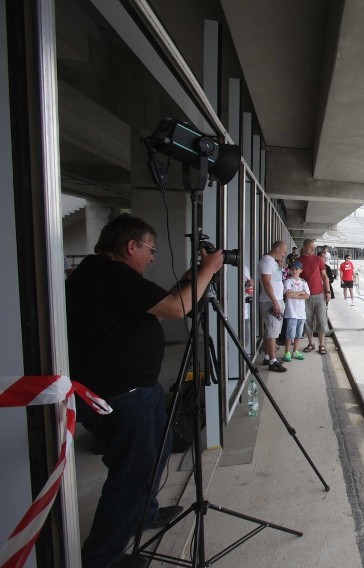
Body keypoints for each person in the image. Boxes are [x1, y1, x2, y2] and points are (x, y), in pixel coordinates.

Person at [66, 213, 224, 567]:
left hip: (139, 389)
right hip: (121, 395)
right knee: (132, 475)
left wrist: (192, 276)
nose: (153, 256)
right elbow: (175, 307)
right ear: (130, 246)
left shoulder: (107, 276)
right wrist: (209, 270)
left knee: (159, 450)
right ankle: (103, 559)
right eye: (150, 249)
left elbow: (165, 299)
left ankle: (144, 514)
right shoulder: (108, 274)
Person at [258, 241, 288, 372]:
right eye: (283, 251)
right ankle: (272, 362)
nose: (284, 254)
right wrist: (275, 302)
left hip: (276, 301)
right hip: (271, 302)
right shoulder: (267, 261)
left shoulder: (273, 262)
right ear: (277, 249)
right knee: (272, 332)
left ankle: (267, 356)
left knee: (271, 330)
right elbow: (266, 284)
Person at [298, 239, 332, 354]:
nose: (313, 249)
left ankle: (322, 345)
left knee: (321, 320)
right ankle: (311, 343)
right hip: (305, 296)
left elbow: (325, 276)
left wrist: (328, 291)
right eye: (310, 247)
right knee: (307, 321)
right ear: (304, 247)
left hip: (319, 295)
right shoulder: (299, 261)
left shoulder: (318, 259)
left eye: (313, 247)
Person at [282, 260, 310, 362]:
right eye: (292, 269)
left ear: (301, 270)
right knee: (290, 334)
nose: (294, 271)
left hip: (301, 313)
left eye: (296, 269)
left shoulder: (304, 282)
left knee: (298, 334)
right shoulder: (288, 281)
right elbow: (288, 295)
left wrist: (295, 294)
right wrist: (300, 293)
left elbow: (307, 295)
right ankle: (287, 352)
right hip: (291, 312)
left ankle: (295, 351)